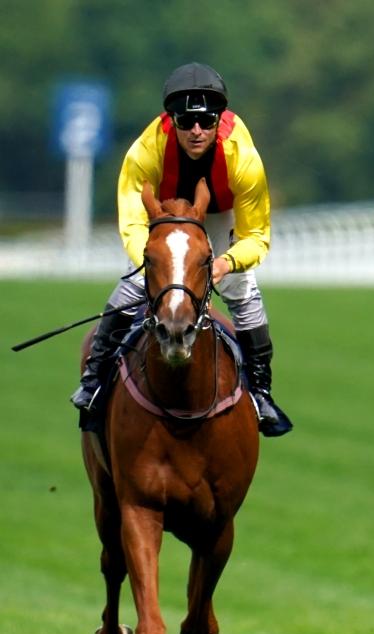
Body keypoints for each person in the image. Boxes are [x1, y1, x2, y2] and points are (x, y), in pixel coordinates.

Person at [70, 62, 292, 437]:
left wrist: (226, 263)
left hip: (219, 214)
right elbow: (132, 223)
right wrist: (155, 264)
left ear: (219, 119)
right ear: (171, 120)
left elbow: (257, 235)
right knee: (135, 283)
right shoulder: (146, 151)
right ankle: (93, 381)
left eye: (206, 121)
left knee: (241, 289)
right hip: (164, 214)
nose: (196, 131)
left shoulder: (243, 158)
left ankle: (261, 394)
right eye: (186, 122)